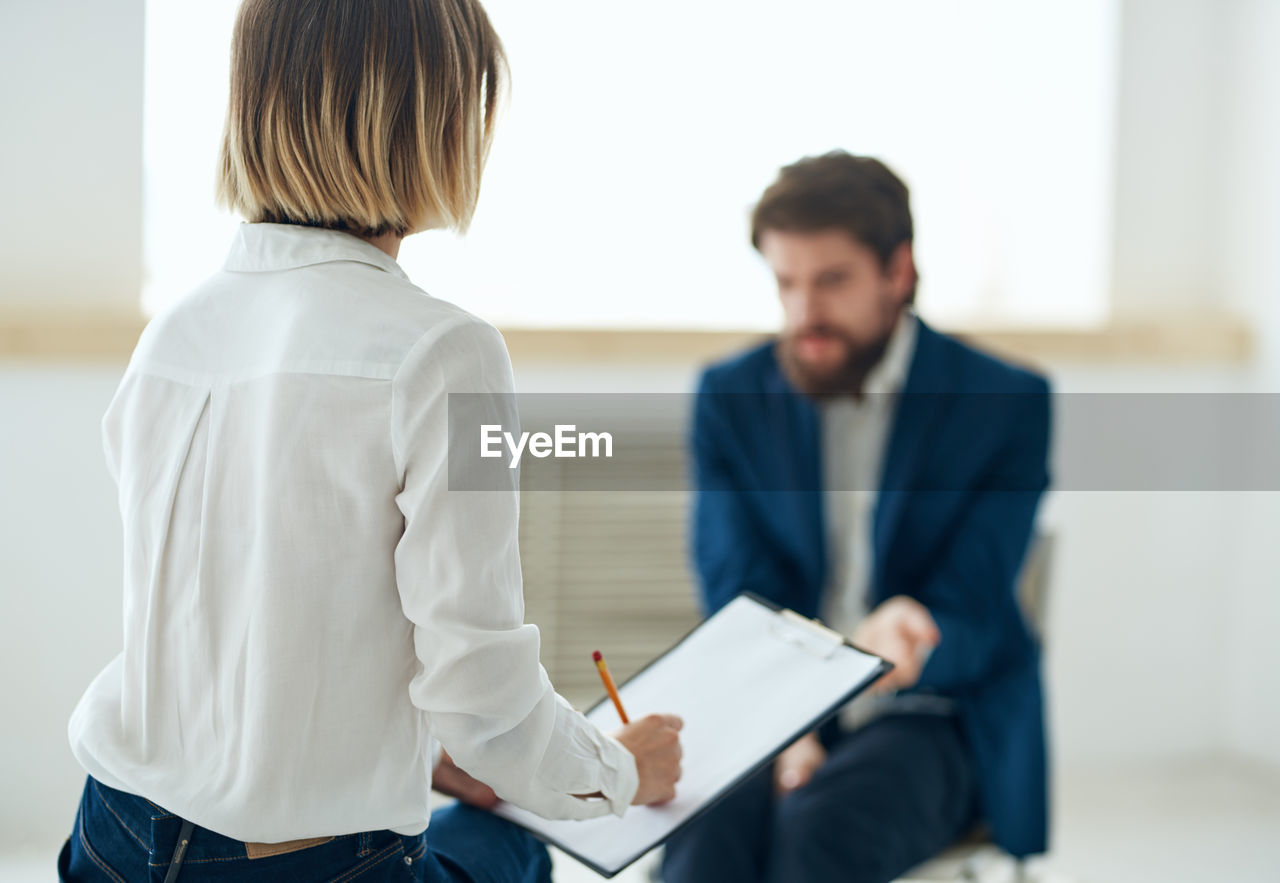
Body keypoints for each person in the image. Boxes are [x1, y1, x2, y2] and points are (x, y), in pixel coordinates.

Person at [58, 1, 683, 880]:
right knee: (519, 848)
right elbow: (486, 704)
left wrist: (421, 753)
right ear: (435, 119)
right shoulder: (443, 350)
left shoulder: (177, 331)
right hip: (299, 862)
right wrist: (623, 771)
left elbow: (248, 632)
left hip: (109, 834)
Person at [662, 151, 1051, 883]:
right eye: (786, 283)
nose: (804, 311)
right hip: (772, 695)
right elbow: (736, 583)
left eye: (831, 281)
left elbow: (977, 593)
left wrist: (917, 630)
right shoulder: (730, 396)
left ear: (897, 272)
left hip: (933, 708)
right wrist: (785, 719)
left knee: (823, 830)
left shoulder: (1005, 403)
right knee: (703, 831)